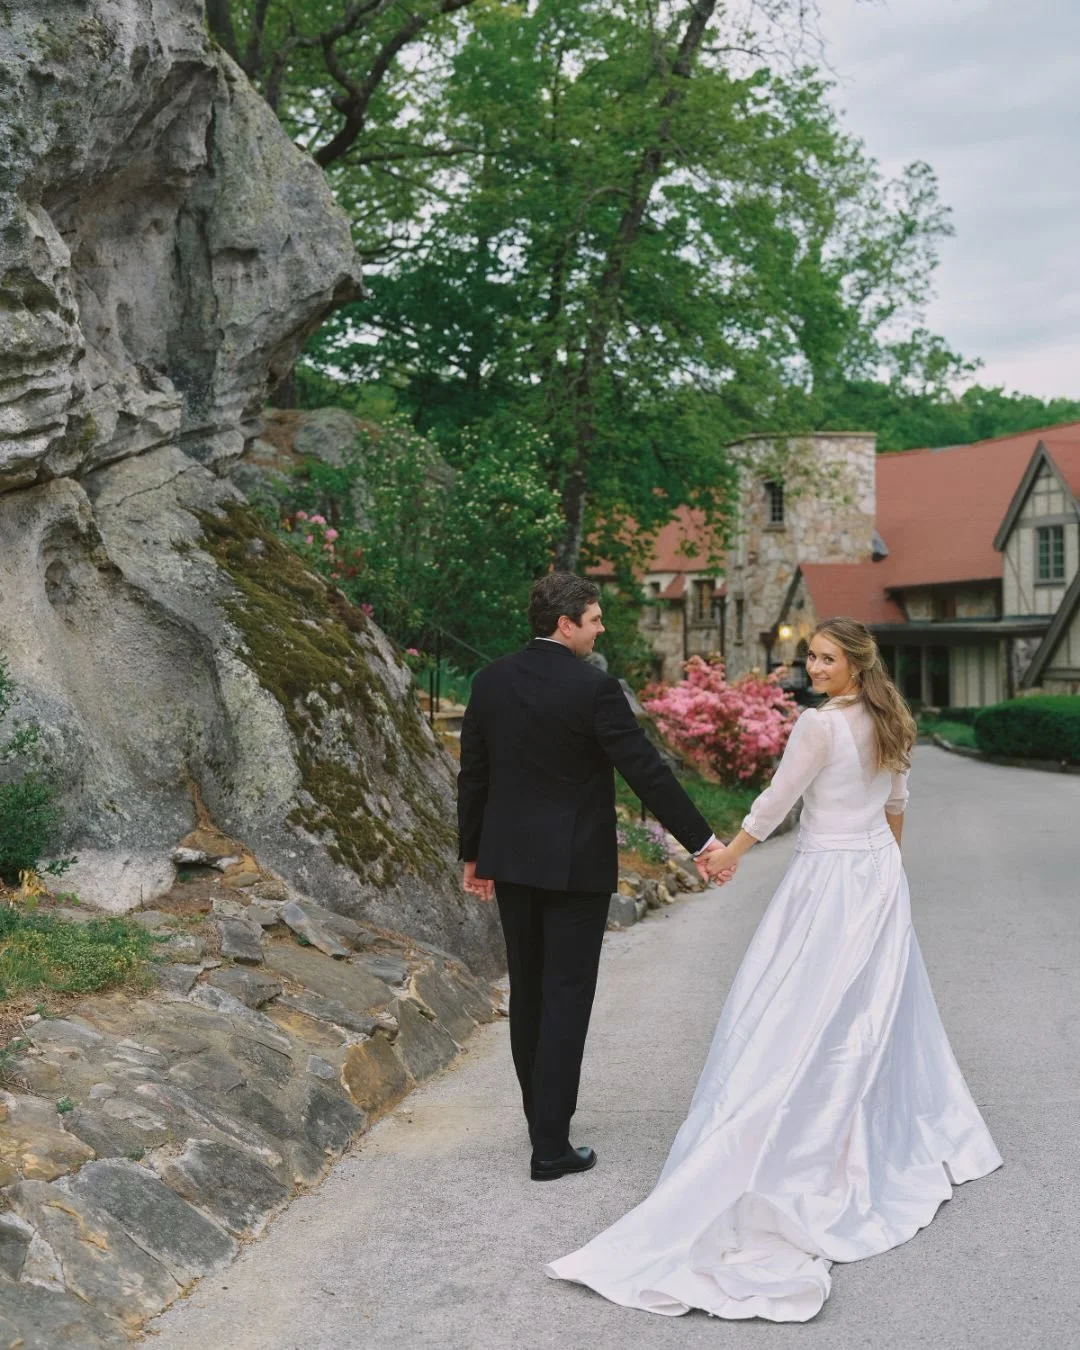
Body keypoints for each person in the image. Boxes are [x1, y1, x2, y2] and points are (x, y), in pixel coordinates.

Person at [546, 616, 1002, 1320]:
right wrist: (889, 872)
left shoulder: (818, 728)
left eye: (825, 659)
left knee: (798, 1005)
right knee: (869, 1006)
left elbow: (777, 803)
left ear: (855, 662)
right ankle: (868, 1120)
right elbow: (895, 810)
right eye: (810, 657)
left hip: (828, 881)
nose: (813, 669)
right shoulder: (892, 719)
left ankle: (801, 1125)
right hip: (876, 875)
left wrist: (726, 852)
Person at [457, 572, 733, 1181]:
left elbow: (473, 775)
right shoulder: (594, 689)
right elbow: (646, 772)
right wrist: (703, 841)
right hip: (574, 868)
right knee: (566, 998)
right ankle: (550, 1147)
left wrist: (473, 855)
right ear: (566, 623)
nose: (600, 627)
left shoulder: (490, 681)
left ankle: (543, 1120)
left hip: (511, 862)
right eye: (595, 618)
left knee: (528, 990)